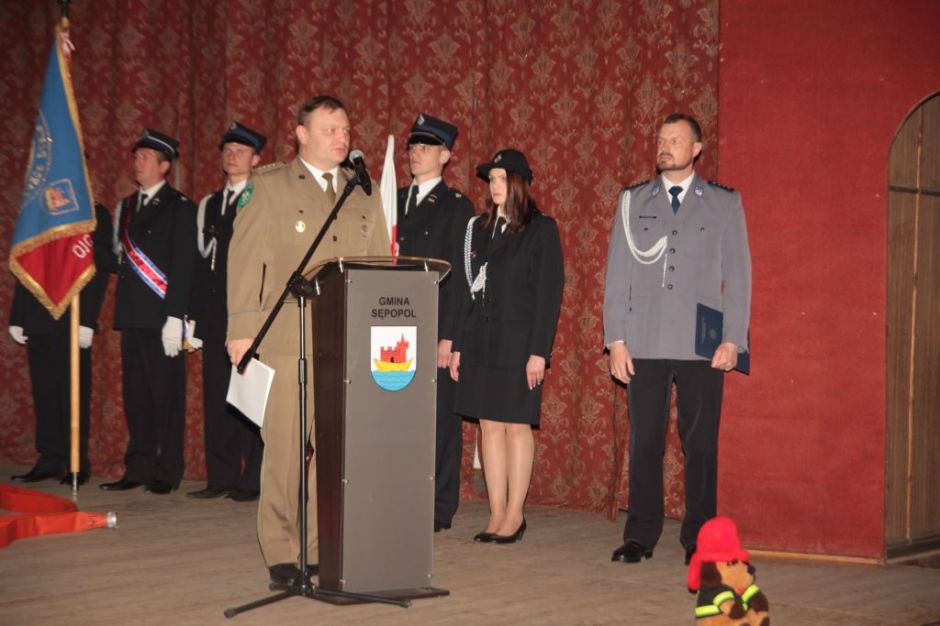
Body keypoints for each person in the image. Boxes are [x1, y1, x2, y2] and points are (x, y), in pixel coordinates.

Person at [226, 95, 389, 587]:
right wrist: (241, 330)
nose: (341, 138)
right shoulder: (269, 186)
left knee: (335, 452)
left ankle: (320, 548)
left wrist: (378, 336)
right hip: (286, 338)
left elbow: (378, 268)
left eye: (345, 130)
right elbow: (245, 260)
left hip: (345, 341)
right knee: (286, 451)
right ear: (301, 134)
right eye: (329, 129)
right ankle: (281, 551)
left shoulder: (363, 191)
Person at [603, 113, 751, 565]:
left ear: (697, 149)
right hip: (644, 339)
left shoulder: (723, 203)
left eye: (675, 140)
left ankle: (701, 539)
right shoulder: (633, 201)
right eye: (661, 139)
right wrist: (616, 339)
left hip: (700, 343)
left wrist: (734, 339)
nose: (664, 146)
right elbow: (618, 274)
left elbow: (738, 276)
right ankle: (640, 534)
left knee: (700, 443)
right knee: (645, 441)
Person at [449, 149, 564, 544]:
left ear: (519, 183)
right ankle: (496, 512)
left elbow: (548, 295)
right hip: (480, 343)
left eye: (502, 178)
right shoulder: (480, 229)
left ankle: (515, 513)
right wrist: (459, 345)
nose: (495, 186)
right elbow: (467, 292)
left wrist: (539, 352)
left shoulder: (540, 229)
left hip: (518, 346)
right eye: (492, 179)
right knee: (488, 426)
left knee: (516, 426)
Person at [101, 129, 197, 495]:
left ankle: (167, 469)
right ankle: (138, 466)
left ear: (164, 165)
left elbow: (184, 264)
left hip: (162, 317)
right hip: (132, 314)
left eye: (144, 157)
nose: (136, 162)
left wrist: (175, 316)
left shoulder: (180, 207)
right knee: (136, 395)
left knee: (166, 396)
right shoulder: (126, 206)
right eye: (136, 157)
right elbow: (118, 259)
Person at [396, 113, 475, 533]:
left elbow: (461, 278)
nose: (416, 152)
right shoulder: (392, 199)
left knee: (440, 420)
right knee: (400, 416)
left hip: (434, 326)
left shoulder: (456, 206)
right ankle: (402, 496)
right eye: (413, 145)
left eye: (426, 146)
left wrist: (450, 336)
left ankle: (439, 505)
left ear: (445, 156)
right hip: (393, 325)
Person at [8, 203, 116, 486]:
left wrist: (88, 320)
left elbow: (99, 266)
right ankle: (50, 459)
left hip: (72, 316)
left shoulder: (91, 212)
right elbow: (26, 263)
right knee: (44, 393)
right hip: (38, 315)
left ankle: (76, 462)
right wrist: (18, 316)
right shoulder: (38, 211)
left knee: (73, 393)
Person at [186, 122, 266, 502]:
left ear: (256, 159)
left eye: (241, 151)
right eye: (227, 150)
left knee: (249, 397)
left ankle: (252, 479)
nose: (232, 156)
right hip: (216, 314)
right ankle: (220, 475)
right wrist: (193, 316)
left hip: (249, 312)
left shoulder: (261, 199)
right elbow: (201, 263)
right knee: (217, 397)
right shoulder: (209, 204)